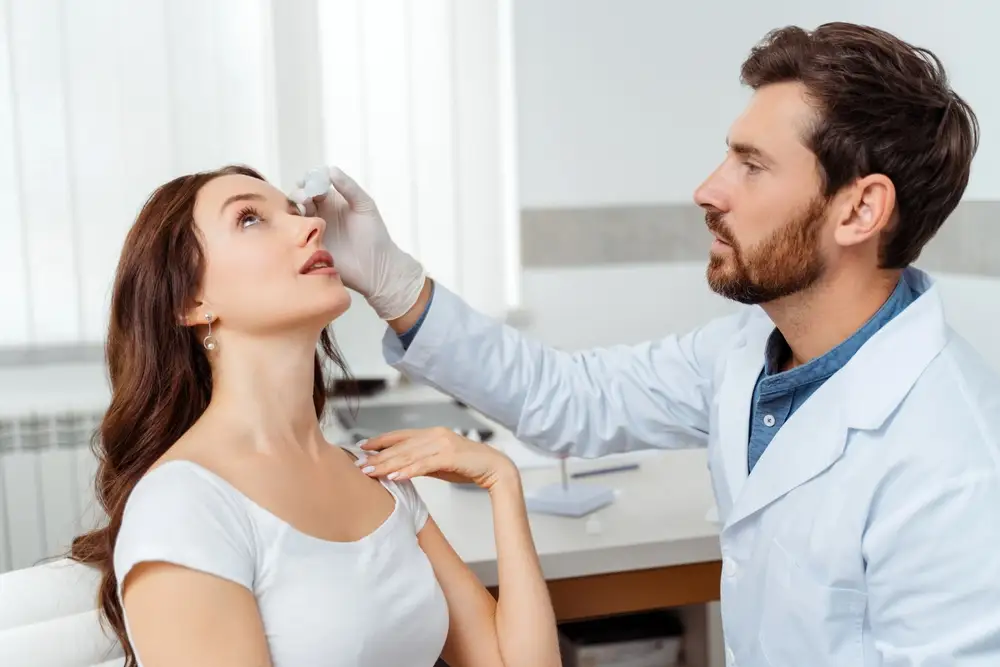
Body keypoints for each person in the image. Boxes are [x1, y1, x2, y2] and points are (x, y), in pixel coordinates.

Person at [293, 22, 1000, 666]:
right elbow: (570, 398)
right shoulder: (748, 351)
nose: (707, 189)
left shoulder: (954, 456)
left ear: (860, 209)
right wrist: (395, 284)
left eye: (752, 166)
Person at [69, 165, 561, 667]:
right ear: (190, 301)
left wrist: (502, 480)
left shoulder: (376, 479)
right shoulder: (184, 505)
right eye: (249, 219)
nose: (313, 226)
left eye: (295, 212)